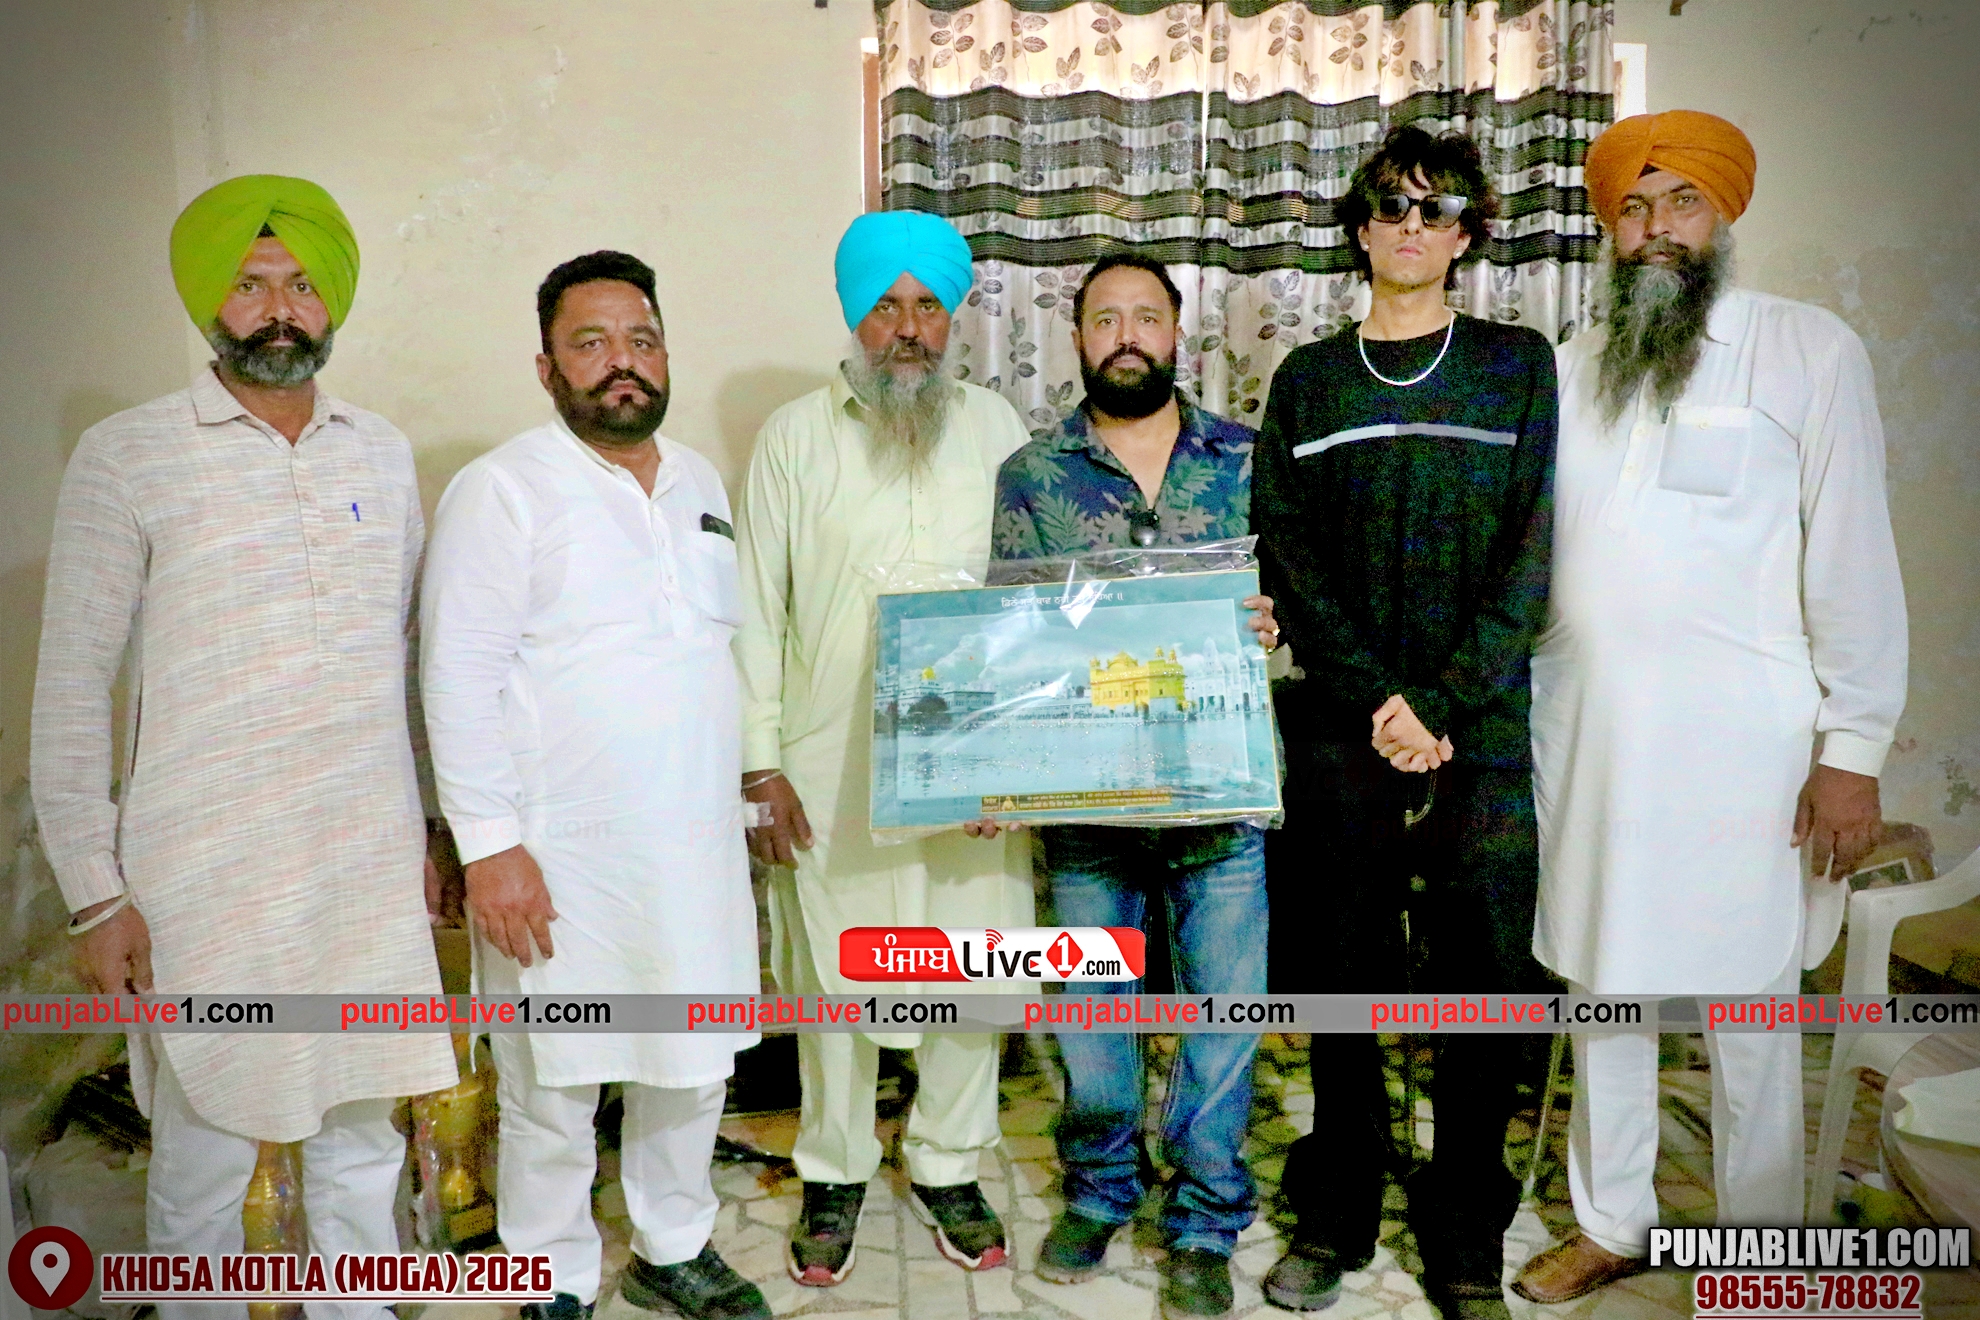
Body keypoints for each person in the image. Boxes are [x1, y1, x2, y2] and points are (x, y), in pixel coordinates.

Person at [30, 175, 458, 1320]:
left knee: (363, 1142)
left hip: (363, 867)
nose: (279, 309)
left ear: (333, 302)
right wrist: (94, 894)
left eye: (302, 284)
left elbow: (409, 661)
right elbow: (70, 687)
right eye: (251, 283)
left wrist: (429, 827)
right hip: (206, 877)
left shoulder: (380, 453)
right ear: (207, 301)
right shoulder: (128, 455)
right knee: (205, 1162)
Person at [1512, 111, 1907, 1305]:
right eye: (1633, 207)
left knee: (1751, 1003)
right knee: (1607, 987)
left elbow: (1854, 557)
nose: (1655, 229)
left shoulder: (1807, 350)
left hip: (1750, 752)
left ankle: (1762, 1242)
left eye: (1680, 201)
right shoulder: (1571, 368)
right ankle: (1612, 1221)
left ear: (1724, 213)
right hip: (1589, 742)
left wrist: (1852, 749)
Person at [420, 251, 767, 1320]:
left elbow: (713, 654)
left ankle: (673, 1246)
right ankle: (553, 1270)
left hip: (695, 849)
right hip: (558, 858)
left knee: (693, 1063)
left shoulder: (701, 481)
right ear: (546, 367)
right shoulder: (502, 489)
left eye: (642, 340)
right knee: (554, 1080)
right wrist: (489, 848)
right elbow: (456, 674)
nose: (624, 362)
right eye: (592, 342)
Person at [1249, 126, 1557, 1319]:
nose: (1412, 226)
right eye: (1390, 205)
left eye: (1437, 208)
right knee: (1341, 983)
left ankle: (1466, 1227)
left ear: (1469, 232)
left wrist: (1441, 701)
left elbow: (1531, 555)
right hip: (1344, 732)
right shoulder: (1310, 382)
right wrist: (1382, 702)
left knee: (1485, 991)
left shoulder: (1516, 366)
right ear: (1359, 228)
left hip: (1480, 733)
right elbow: (1292, 558)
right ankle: (1338, 1208)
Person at [732, 211, 1034, 1287]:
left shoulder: (997, 427)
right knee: (836, 979)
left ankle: (950, 1162)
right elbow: (754, 607)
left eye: (929, 307)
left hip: (973, 768)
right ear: (853, 316)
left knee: (971, 963)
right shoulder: (792, 438)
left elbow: (1032, 601)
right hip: (831, 766)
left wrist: (1020, 764)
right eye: (886, 306)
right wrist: (759, 764)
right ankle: (836, 1166)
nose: (908, 328)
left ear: (952, 319)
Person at [992, 251, 1278, 1320]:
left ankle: (1204, 1219)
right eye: (1104, 318)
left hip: (1220, 796)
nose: (1126, 335)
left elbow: (1301, 603)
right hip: (1087, 808)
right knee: (1093, 1025)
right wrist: (990, 770)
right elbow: (1007, 636)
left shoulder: (1246, 460)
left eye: (1145, 317)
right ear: (1076, 338)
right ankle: (1100, 1190)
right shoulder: (1032, 475)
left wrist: (1276, 624)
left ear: (1176, 333)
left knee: (1222, 1022)